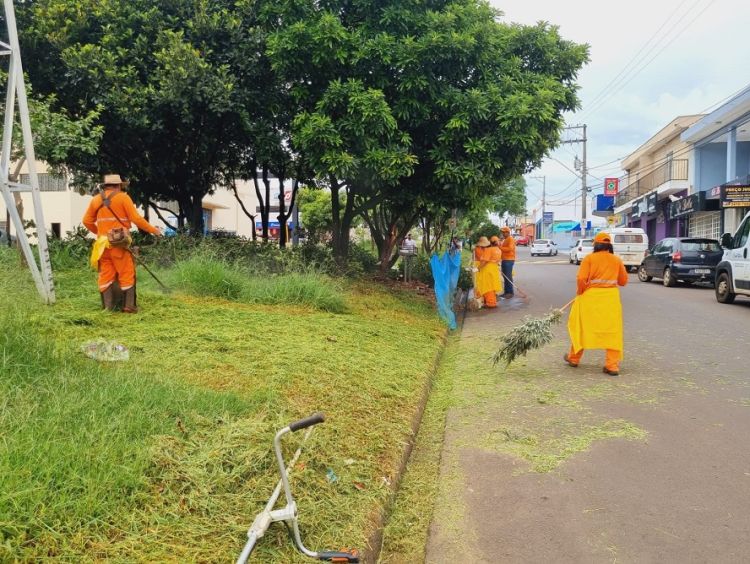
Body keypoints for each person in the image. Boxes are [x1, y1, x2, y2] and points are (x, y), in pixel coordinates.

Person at [82, 174, 161, 312]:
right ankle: (129, 306)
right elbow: (136, 219)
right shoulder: (123, 197)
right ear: (119, 186)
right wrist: (154, 230)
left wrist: (100, 233)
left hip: (102, 246)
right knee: (126, 273)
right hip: (119, 244)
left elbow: (86, 221)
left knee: (106, 274)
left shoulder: (96, 200)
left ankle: (107, 308)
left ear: (105, 186)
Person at [565, 231, 628, 376]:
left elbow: (581, 279)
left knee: (581, 327)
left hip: (590, 298)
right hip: (611, 300)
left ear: (596, 245)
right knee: (612, 331)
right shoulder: (616, 260)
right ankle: (612, 366)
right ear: (609, 246)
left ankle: (574, 359)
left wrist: (581, 292)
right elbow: (623, 281)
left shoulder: (589, 259)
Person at [474, 235, 502, 308]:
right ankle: (490, 301)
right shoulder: (498, 250)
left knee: (487, 286)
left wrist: (478, 268)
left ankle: (491, 303)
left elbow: (484, 261)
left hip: (487, 269)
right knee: (492, 286)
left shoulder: (488, 250)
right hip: (494, 269)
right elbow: (498, 261)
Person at [499, 226, 516, 299]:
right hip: (505, 259)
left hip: (509, 260)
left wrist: (500, 248)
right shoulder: (506, 239)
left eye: (503, 232)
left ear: (507, 232)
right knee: (505, 276)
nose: (502, 233)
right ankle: (506, 292)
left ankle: (510, 292)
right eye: (502, 232)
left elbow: (510, 248)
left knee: (508, 276)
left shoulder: (510, 239)